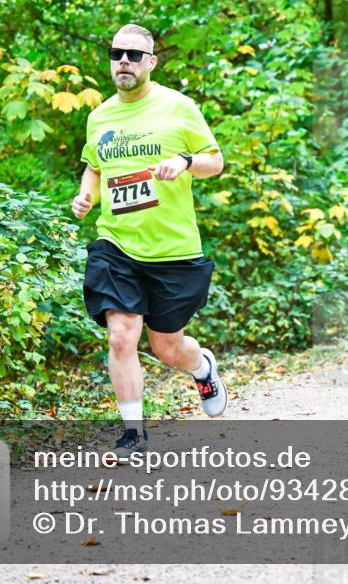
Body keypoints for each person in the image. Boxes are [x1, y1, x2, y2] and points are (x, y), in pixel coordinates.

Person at [71, 23, 227, 455]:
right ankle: (133, 434)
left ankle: (200, 365)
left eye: (134, 55)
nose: (124, 60)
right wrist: (87, 195)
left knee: (167, 347)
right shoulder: (99, 116)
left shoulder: (178, 107)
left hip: (174, 250)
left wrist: (185, 161)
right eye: (117, 53)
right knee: (121, 335)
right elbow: (95, 168)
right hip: (117, 242)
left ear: (151, 62)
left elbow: (215, 162)